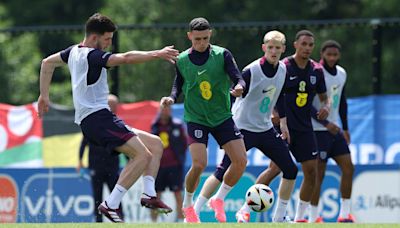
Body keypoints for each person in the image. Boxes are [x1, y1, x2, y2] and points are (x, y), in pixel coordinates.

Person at [37, 13, 180, 223]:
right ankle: (111, 204)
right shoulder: (92, 55)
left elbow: (46, 63)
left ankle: (149, 195)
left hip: (96, 119)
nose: (109, 43)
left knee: (155, 144)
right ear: (94, 38)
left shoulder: (72, 52)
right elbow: (126, 58)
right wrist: (157, 54)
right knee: (143, 155)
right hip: (98, 119)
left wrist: (44, 95)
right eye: (107, 39)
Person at [193, 30, 299, 223]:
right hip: (242, 128)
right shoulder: (252, 70)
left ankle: (279, 217)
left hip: (265, 128)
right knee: (223, 169)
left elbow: (280, 97)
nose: (274, 51)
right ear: (263, 48)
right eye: (270, 47)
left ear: (284, 49)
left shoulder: (283, 70)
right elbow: (234, 91)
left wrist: (283, 123)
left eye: (277, 48)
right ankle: (195, 212)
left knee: (291, 169)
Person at [160, 17, 247, 223]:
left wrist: (240, 87)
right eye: (197, 39)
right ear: (189, 36)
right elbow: (178, 84)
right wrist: (171, 98)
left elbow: (238, 77)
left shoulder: (222, 54)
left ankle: (218, 199)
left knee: (241, 161)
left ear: (211, 35)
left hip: (222, 116)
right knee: (199, 164)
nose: (201, 43)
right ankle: (188, 205)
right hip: (196, 117)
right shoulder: (182, 59)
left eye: (205, 38)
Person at [276, 30, 330, 223]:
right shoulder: (284, 67)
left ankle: (299, 218)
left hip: (305, 128)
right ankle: (245, 210)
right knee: (274, 169)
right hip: (284, 127)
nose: (307, 48)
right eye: (304, 44)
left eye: (310, 45)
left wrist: (326, 107)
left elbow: (325, 98)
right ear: (295, 45)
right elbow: (272, 92)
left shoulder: (316, 70)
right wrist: (274, 114)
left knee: (311, 171)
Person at [309, 40, 355, 223]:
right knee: (318, 173)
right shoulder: (316, 73)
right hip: (317, 130)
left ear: (339, 56)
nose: (332, 58)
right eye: (329, 55)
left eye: (335, 55)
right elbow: (306, 105)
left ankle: (344, 215)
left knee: (348, 168)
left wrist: (345, 128)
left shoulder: (342, 73)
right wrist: (326, 123)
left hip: (335, 131)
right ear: (322, 54)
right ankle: (313, 216)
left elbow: (342, 102)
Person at [76, 94, 122, 222]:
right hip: (96, 165)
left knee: (117, 194)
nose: (112, 108)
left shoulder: (118, 123)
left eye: (114, 106)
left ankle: (121, 219)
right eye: (110, 105)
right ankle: (98, 222)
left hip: (112, 166)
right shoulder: (94, 122)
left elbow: (126, 143)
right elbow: (84, 142)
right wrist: (80, 160)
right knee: (97, 195)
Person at [150, 105, 188, 222]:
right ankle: (153, 222)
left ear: (170, 111)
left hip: (175, 166)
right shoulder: (155, 126)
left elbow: (184, 143)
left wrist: (179, 159)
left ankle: (181, 220)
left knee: (177, 193)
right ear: (159, 110)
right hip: (158, 166)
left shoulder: (177, 125)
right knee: (155, 195)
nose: (164, 111)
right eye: (162, 109)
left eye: (167, 109)